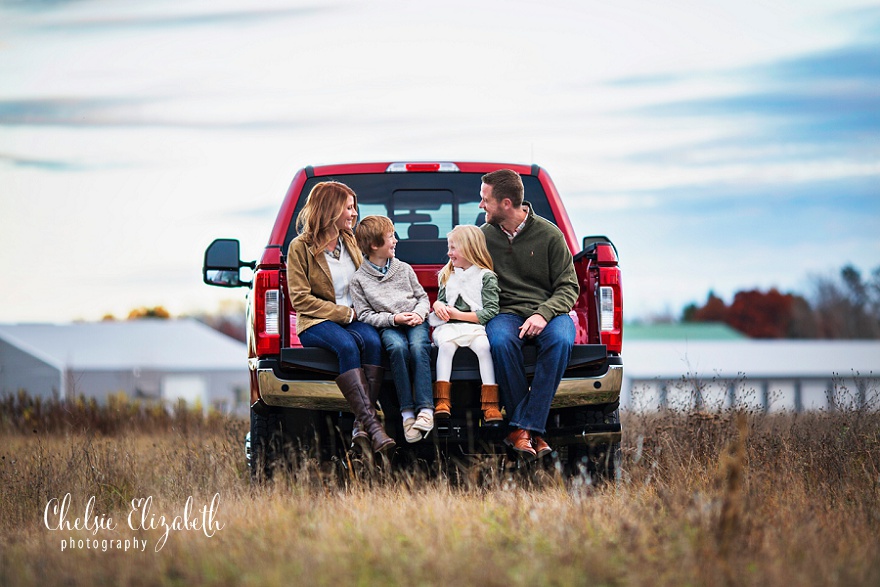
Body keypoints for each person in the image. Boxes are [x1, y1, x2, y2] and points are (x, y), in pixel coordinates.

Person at [286, 182, 395, 454]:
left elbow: (368, 279)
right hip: (317, 322)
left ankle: (361, 424)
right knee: (346, 346)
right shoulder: (300, 247)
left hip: (355, 318)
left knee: (372, 341)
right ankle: (373, 426)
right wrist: (344, 313)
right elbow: (300, 299)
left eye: (354, 207)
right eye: (348, 207)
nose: (354, 213)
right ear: (331, 210)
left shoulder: (350, 241)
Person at [479, 169, 579, 460]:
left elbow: (569, 286)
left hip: (549, 312)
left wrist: (544, 314)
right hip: (505, 313)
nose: (481, 205)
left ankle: (522, 428)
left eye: (485, 199)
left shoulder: (550, 235)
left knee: (561, 340)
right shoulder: (483, 238)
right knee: (499, 341)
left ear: (506, 204)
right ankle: (534, 431)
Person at [350, 216, 434, 443]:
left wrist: (419, 313)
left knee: (418, 347)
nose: (396, 241)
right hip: (390, 325)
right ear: (375, 246)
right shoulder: (359, 280)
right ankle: (407, 414)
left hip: (415, 321)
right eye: (391, 237)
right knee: (397, 348)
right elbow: (366, 315)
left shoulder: (404, 269)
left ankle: (426, 410)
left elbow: (422, 298)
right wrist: (393, 318)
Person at [428, 224, 502, 425]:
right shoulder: (447, 274)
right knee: (446, 347)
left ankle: (490, 404)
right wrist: (437, 305)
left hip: (475, 327)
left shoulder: (485, 277)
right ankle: (442, 401)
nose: (448, 253)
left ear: (470, 249)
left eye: (453, 248)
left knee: (484, 348)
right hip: (449, 327)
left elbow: (490, 311)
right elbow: (441, 300)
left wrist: (459, 314)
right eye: (449, 247)